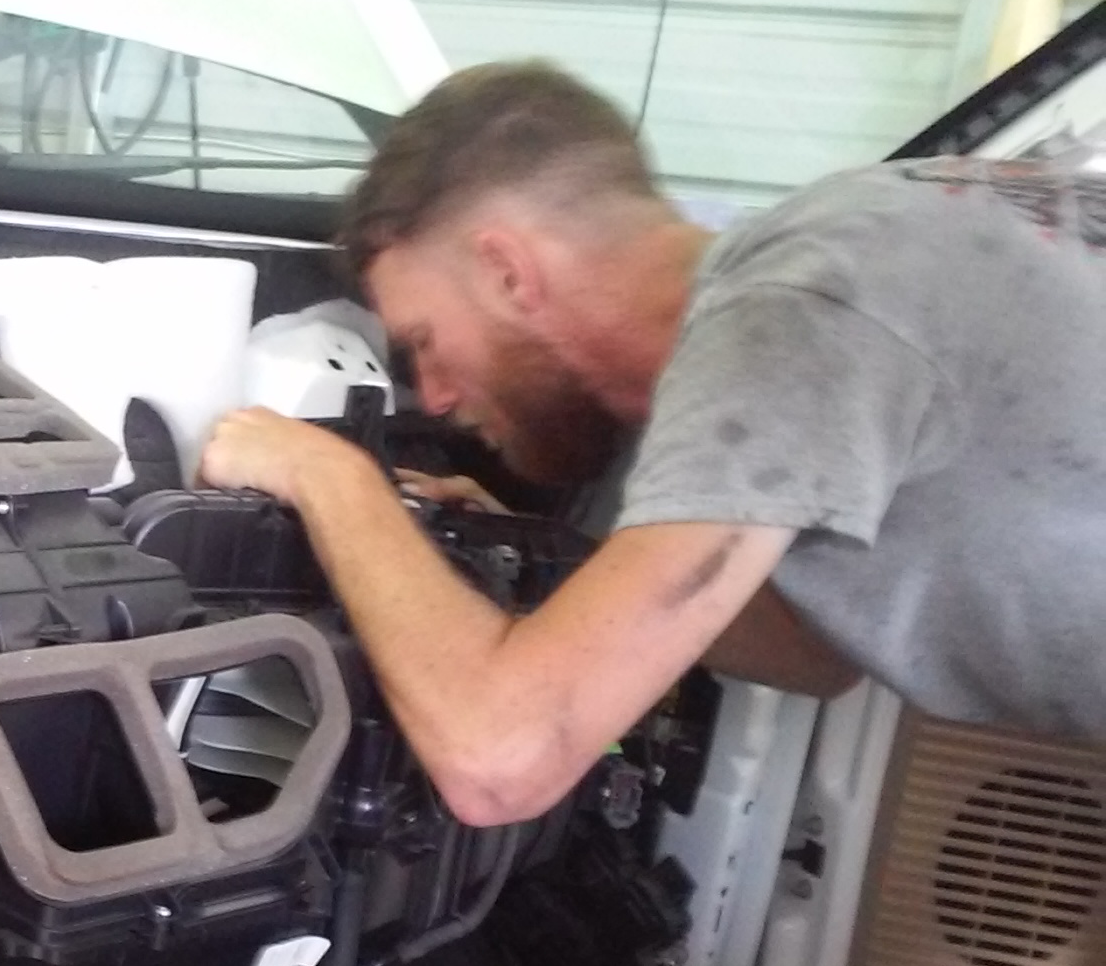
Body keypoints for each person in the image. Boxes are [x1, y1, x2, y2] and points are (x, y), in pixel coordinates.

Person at [198, 61, 1106, 827]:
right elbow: (820, 651)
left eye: (424, 343)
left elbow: (498, 761)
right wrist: (552, 561)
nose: (431, 396)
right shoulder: (849, 247)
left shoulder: (794, 313)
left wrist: (329, 476)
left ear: (508, 272)